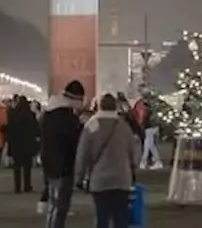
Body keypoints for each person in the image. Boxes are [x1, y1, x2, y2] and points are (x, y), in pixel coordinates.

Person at [75, 94, 141, 228]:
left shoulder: (91, 126)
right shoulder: (123, 126)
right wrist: (133, 168)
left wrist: (79, 177)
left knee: (102, 217)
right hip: (122, 178)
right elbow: (134, 150)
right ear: (115, 107)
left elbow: (82, 154)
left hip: (99, 179)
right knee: (121, 218)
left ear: (100, 106)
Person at [41, 80, 86, 228]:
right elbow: (73, 141)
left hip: (50, 163)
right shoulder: (67, 118)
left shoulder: (49, 114)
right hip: (63, 165)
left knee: (55, 205)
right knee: (60, 206)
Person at [7, 95, 41, 193]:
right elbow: (36, 129)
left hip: (16, 144)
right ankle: (27, 186)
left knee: (16, 167)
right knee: (27, 167)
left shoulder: (13, 114)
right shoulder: (30, 114)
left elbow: (9, 129)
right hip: (27, 144)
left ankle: (17, 187)